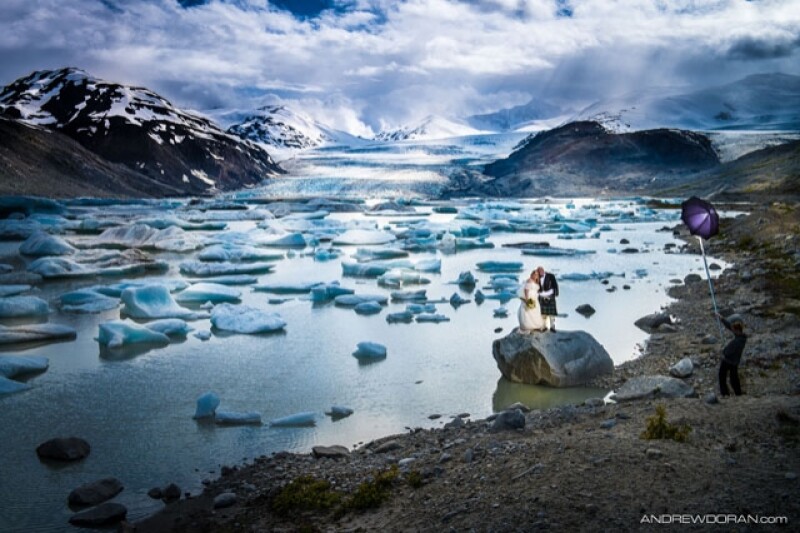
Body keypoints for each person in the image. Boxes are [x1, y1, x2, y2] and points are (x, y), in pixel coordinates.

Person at [716, 312, 747, 396]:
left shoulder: (737, 342)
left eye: (734, 330)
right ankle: (738, 393)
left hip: (729, 361)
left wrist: (723, 351)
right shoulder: (741, 336)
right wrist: (721, 318)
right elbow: (730, 326)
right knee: (734, 378)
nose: (732, 330)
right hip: (734, 362)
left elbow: (728, 351)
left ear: (737, 330)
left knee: (722, 376)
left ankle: (725, 394)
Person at [537, 266, 559, 332]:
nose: (541, 272)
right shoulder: (538, 278)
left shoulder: (551, 276)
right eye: (539, 271)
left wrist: (556, 293)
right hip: (541, 297)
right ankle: (544, 327)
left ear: (543, 270)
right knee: (543, 314)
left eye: (541, 270)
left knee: (552, 314)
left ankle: (552, 327)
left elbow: (555, 285)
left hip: (550, 296)